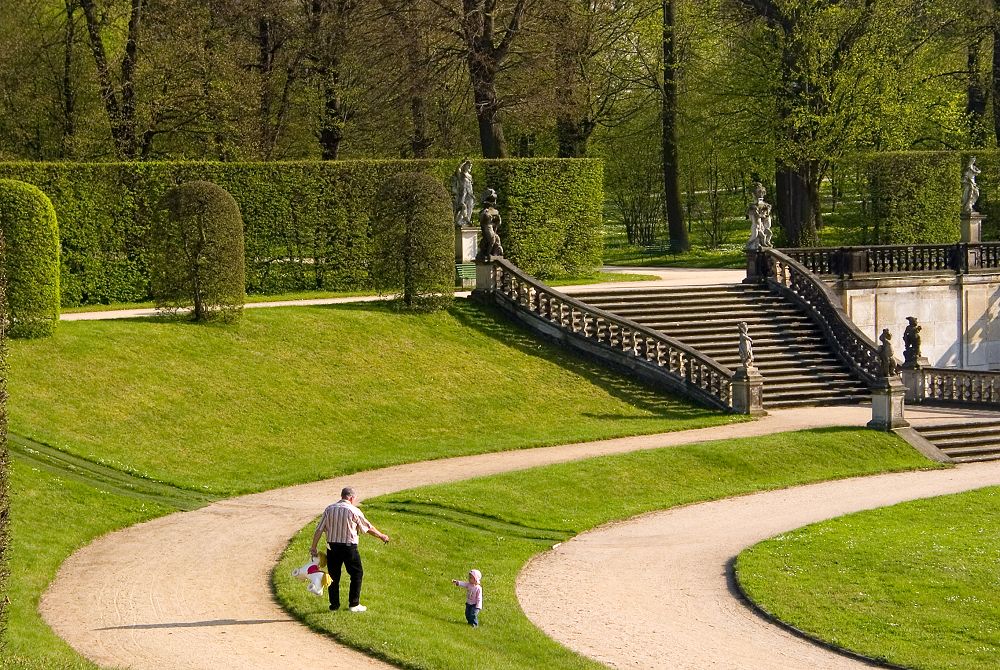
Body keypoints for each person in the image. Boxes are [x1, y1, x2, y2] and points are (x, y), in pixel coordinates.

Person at [309, 486, 390, 612]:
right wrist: (381, 536)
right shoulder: (353, 510)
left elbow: (319, 529)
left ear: (342, 496)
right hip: (349, 548)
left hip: (332, 547)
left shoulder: (329, 509)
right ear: (351, 498)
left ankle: (334, 606)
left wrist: (313, 547)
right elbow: (367, 527)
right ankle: (354, 604)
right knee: (356, 573)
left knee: (333, 576)